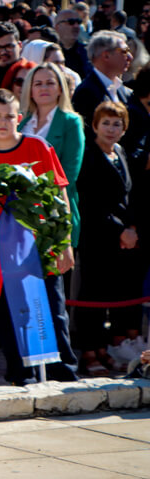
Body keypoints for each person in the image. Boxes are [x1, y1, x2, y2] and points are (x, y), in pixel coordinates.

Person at [0, 89, 78, 384]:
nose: (3, 123)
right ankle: (19, 371)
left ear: (19, 118)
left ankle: (62, 369)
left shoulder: (38, 148)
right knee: (8, 311)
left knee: (52, 306)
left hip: (41, 243)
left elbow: (60, 196)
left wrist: (65, 242)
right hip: (0, 248)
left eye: (9, 117)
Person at [75, 101, 142, 376]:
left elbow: (128, 196)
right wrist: (120, 230)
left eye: (117, 124)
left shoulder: (121, 152)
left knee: (111, 296)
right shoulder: (88, 155)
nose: (111, 129)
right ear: (95, 126)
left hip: (123, 239)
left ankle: (105, 351)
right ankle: (89, 352)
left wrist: (133, 229)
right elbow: (90, 203)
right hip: (97, 237)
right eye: (106, 123)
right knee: (91, 297)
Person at [19, 63, 85, 252]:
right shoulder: (21, 122)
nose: (44, 88)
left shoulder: (71, 122)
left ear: (60, 89)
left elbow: (70, 174)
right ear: (30, 90)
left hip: (54, 212)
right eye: (38, 84)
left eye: (50, 83)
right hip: (19, 213)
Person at [73, 31, 134, 140]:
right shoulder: (86, 93)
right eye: (124, 51)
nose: (130, 57)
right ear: (106, 55)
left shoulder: (124, 91)